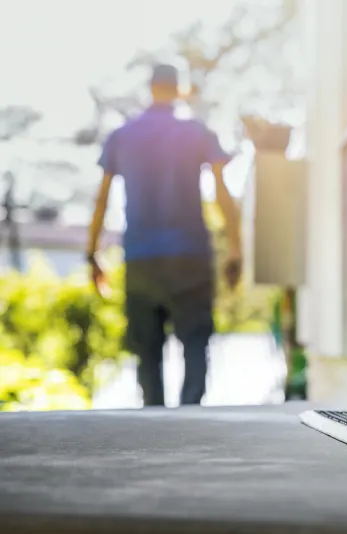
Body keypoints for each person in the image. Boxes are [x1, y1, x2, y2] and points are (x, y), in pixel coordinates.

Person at [86, 64, 242, 407]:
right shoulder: (197, 132)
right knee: (196, 345)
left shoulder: (123, 135)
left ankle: (154, 426)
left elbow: (101, 198)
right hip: (190, 256)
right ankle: (190, 421)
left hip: (143, 258)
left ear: (151, 88)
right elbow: (221, 191)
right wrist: (235, 248)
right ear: (178, 89)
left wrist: (92, 253)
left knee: (148, 353)